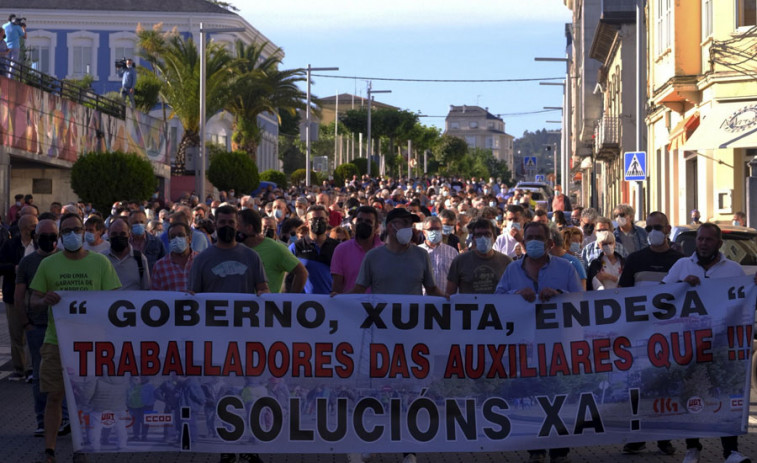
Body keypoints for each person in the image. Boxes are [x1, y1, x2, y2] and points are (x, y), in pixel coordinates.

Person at [29, 212, 121, 463]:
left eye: (76, 230)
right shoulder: (48, 264)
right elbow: (33, 300)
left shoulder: (101, 264)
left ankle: (82, 447)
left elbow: (115, 302)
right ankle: (49, 450)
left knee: (87, 399)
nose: (72, 235)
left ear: (85, 231)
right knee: (54, 397)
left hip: (91, 344)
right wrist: (44, 300)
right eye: (67, 231)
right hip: (56, 341)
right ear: (60, 236)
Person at [662, 223, 752, 463]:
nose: (703, 243)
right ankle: (693, 447)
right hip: (689, 343)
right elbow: (661, 298)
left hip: (722, 344)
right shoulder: (682, 266)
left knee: (726, 393)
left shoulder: (733, 269)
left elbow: (744, 300)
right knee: (691, 393)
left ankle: (730, 451)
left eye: (709, 240)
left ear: (719, 243)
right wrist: (680, 286)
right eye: (700, 239)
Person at [495, 221, 582, 463]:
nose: (532, 241)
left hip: (557, 343)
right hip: (525, 345)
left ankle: (559, 450)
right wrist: (516, 295)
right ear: (522, 243)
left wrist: (559, 295)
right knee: (533, 395)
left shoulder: (565, 268)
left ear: (549, 243)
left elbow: (581, 301)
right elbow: (497, 300)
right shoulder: (512, 271)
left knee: (557, 394)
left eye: (538, 237)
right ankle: (536, 449)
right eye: (529, 237)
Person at [188, 204, 269, 463]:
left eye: (230, 222)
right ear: (215, 223)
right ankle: (227, 445)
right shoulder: (202, 259)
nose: (226, 226)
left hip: (247, 338)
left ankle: (250, 446)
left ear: (238, 225)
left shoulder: (251, 257)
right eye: (221, 222)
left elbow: (263, 289)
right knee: (220, 394)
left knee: (251, 392)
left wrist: (266, 299)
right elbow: (193, 297)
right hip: (215, 340)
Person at [616, 211, 681, 456]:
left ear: (667, 229)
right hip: (639, 335)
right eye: (650, 227)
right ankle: (637, 437)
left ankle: (664, 437)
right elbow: (622, 296)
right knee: (637, 387)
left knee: (666, 387)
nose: (654, 231)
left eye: (659, 226)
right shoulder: (635, 260)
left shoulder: (680, 261)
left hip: (670, 337)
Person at [14, 219, 69, 438]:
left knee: (66, 375)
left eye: (53, 235)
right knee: (40, 376)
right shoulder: (28, 263)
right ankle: (41, 421)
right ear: (36, 236)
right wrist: (25, 323)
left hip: (65, 327)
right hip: (38, 327)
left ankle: (64, 419)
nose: (49, 239)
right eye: (44, 235)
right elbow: (20, 296)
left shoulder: (65, 260)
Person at [349, 207, 444, 296]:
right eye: (405, 223)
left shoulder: (421, 255)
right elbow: (359, 289)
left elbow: (432, 289)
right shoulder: (372, 257)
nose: (409, 227)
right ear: (390, 227)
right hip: (383, 313)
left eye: (410, 224)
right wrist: (337, 299)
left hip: (411, 313)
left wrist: (450, 301)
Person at [0, 213, 37, 381]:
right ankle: (19, 368)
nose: (35, 229)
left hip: (35, 294)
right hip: (13, 294)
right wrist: (13, 268)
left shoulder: (38, 244)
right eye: (32, 226)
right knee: (16, 333)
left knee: (32, 330)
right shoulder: (10, 244)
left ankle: (31, 368)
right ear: (24, 228)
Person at [237, 208, 307, 293]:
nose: (234, 229)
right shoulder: (234, 248)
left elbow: (301, 273)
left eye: (237, 225)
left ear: (249, 228)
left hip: (267, 305)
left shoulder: (276, 248)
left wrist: (291, 299)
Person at [446, 218, 511, 295]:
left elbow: (514, 289)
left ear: (495, 238)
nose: (483, 238)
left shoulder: (506, 261)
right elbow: (449, 294)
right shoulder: (460, 261)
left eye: (487, 234)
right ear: (473, 239)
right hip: (469, 306)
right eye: (479, 235)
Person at [330, 206, 383, 295]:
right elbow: (337, 288)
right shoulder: (341, 250)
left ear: (376, 226)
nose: (363, 223)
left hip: (380, 307)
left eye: (368, 221)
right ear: (354, 224)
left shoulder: (385, 251)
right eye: (359, 220)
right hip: (350, 307)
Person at [289, 205, 340, 294]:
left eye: (321, 219)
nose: (318, 222)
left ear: (327, 220)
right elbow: (287, 278)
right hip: (304, 304)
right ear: (306, 223)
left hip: (331, 302)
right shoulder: (296, 247)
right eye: (313, 219)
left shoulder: (337, 247)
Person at [102, 218, 150, 290]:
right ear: (108, 235)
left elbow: (146, 288)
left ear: (129, 235)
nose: (118, 237)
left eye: (122, 234)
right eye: (114, 234)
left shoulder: (140, 259)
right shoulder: (101, 259)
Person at [419, 216, 458, 293]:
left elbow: (457, 278)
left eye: (437, 229)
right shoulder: (417, 252)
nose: (434, 231)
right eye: (430, 229)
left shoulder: (452, 252)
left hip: (446, 300)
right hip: (423, 300)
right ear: (424, 232)